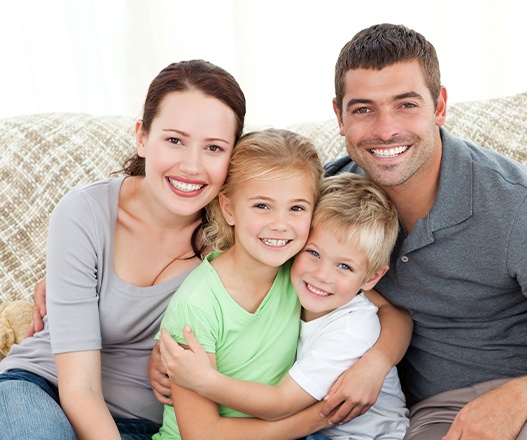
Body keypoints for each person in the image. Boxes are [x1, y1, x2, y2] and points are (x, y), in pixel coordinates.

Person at [320, 23, 527, 440]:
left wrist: (520, 398)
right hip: (435, 412)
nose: (384, 130)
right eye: (363, 109)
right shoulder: (329, 200)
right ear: (339, 116)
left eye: (405, 105)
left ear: (439, 106)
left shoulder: (522, 208)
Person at [0, 59, 246, 439]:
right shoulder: (85, 213)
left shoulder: (241, 236)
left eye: (214, 147)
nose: (191, 166)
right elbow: (79, 389)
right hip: (43, 392)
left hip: (147, 427)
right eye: (175, 140)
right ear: (143, 137)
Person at [158, 172, 412, 439]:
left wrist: (204, 381)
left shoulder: (351, 329)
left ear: (371, 277)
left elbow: (279, 405)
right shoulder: (290, 271)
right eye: (313, 253)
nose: (322, 275)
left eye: (344, 266)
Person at [152, 128, 332, 439]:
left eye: (297, 208)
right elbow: (202, 434)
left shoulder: (304, 272)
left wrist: (374, 363)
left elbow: (388, 313)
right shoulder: (197, 305)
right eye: (262, 206)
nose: (280, 224)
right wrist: (318, 419)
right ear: (229, 208)